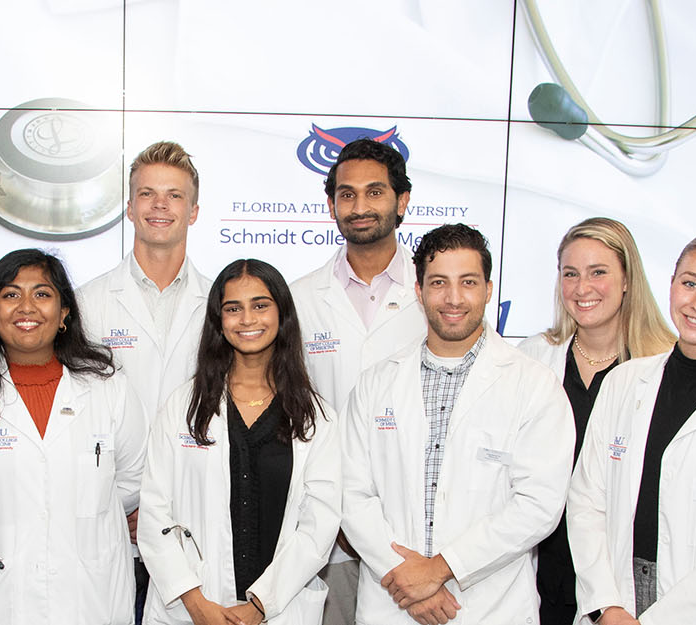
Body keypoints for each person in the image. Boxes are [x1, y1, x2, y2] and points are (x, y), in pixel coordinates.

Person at [340, 224, 573, 625]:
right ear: (418, 291)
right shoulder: (376, 383)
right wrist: (408, 584)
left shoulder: (534, 385)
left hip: (491, 607)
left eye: (468, 282)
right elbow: (351, 493)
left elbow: (538, 504)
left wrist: (442, 568)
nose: (453, 298)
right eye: (438, 283)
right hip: (391, 605)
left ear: (488, 289)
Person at [0, 248, 146, 625]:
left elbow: (133, 476)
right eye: (11, 295)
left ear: (64, 311)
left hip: (90, 594)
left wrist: (60, 505)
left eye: (42, 294)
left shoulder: (107, 387)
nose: (27, 307)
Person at [566, 230, 696, 625]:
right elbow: (585, 502)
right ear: (671, 285)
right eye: (690, 283)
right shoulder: (624, 382)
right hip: (614, 602)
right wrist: (607, 606)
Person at [138, 259, 344, 625]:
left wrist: (260, 605)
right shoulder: (181, 408)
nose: (247, 319)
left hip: (279, 610)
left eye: (260, 305)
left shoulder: (316, 416)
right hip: (194, 608)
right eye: (233, 309)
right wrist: (196, 603)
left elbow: (319, 526)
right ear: (219, 320)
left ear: (283, 314)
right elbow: (155, 514)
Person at [289, 137, 430, 625]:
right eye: (346, 194)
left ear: (402, 201)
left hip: (417, 533)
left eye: (375, 192)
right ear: (331, 206)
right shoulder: (300, 299)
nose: (360, 205)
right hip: (327, 536)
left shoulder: (438, 294)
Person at [75, 140, 216, 623]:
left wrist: (159, 510)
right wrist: (124, 504)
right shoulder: (88, 304)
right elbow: (76, 421)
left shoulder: (223, 305)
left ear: (194, 211)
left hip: (197, 520)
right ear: (129, 207)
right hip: (111, 520)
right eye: (148, 194)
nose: (161, 205)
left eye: (175, 195)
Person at [515, 217, 675, 625]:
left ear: (627, 280)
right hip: (541, 574)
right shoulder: (532, 358)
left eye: (598, 272)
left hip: (618, 588)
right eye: (571, 274)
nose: (582, 288)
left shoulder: (664, 367)